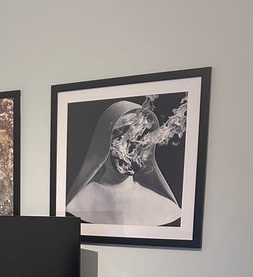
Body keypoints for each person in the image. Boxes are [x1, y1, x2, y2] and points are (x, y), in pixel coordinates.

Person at [66, 97, 184, 226]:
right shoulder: (80, 202)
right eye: (122, 136)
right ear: (104, 142)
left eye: (139, 137)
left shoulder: (163, 206)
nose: (132, 146)